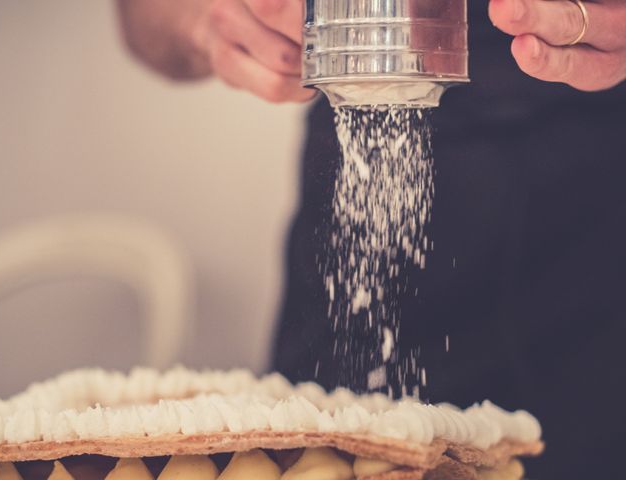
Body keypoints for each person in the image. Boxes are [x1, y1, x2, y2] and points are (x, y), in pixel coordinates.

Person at [117, 0, 626, 477]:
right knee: (320, 453)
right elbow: (144, 19)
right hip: (357, 188)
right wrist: (205, 19)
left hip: (600, 244)